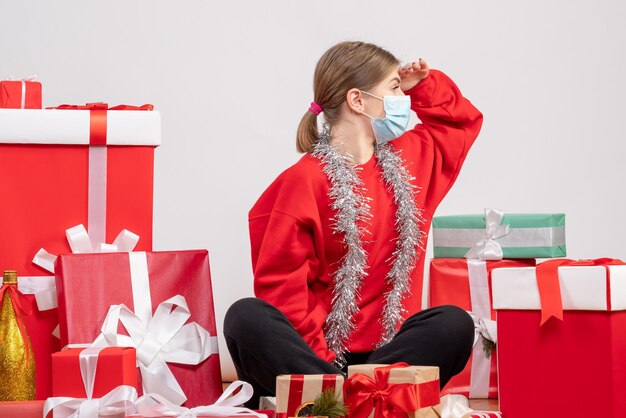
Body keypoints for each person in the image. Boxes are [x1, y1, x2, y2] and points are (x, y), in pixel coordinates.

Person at [224, 40, 483, 407]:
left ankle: (346, 402)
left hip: (387, 359)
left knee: (454, 323)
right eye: (393, 89)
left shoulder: (411, 162)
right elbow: (284, 290)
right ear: (358, 101)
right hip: (316, 359)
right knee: (244, 317)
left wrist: (422, 84)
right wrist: (326, 367)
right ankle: (348, 400)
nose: (401, 100)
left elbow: (459, 123)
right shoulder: (303, 181)